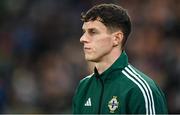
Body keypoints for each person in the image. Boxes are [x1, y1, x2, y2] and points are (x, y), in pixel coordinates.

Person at [72, 3, 168, 114]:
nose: (82, 39)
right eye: (84, 32)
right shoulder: (84, 87)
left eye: (93, 32)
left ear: (117, 38)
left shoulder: (139, 89)